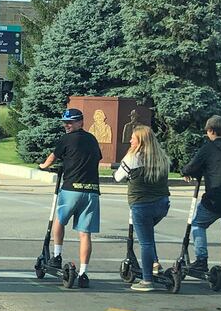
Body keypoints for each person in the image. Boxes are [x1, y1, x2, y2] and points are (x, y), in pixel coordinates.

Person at [181, 115, 221, 290]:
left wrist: (186, 172)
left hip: (216, 198)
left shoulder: (209, 148)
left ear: (210, 131)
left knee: (197, 224)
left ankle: (201, 259)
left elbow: (191, 167)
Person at [39, 108, 102, 288]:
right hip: (91, 190)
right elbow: (97, 157)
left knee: (59, 221)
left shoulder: (66, 139)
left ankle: (57, 256)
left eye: (71, 122)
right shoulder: (92, 139)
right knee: (85, 234)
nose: (67, 125)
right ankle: (83, 273)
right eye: (65, 122)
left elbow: (52, 157)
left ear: (81, 122)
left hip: (71, 188)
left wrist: (43, 166)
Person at [114, 126, 171, 292]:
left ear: (141, 141)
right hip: (162, 204)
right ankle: (155, 264)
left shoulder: (133, 158)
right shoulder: (161, 158)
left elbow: (118, 177)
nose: (130, 141)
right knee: (148, 234)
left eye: (133, 138)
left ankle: (147, 280)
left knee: (145, 241)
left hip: (141, 204)